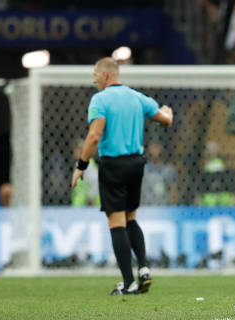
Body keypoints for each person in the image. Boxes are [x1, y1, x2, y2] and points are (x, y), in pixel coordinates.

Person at [71, 57, 173, 295]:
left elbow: (95, 136)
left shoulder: (100, 99)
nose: (93, 78)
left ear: (106, 75)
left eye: (96, 74)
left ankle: (128, 283)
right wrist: (168, 114)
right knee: (131, 218)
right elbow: (164, 119)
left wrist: (81, 165)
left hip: (114, 164)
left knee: (116, 222)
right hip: (137, 164)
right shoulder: (136, 97)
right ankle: (144, 268)